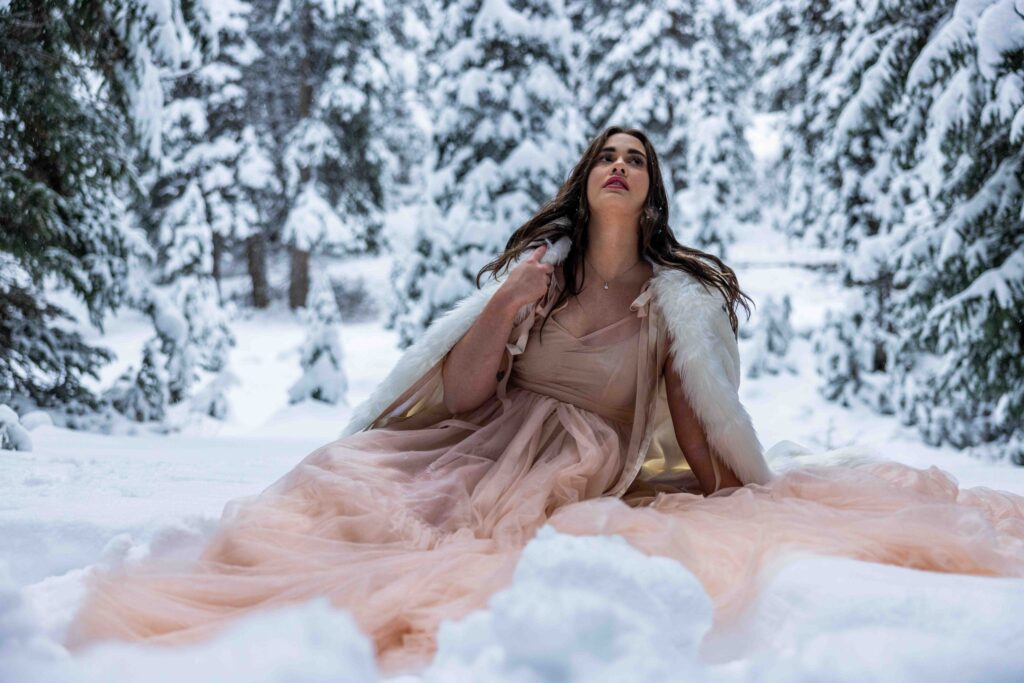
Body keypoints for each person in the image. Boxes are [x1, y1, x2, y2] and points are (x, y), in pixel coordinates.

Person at [63, 127, 1024, 675]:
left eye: (636, 158)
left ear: (650, 192)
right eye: (606, 153)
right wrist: (510, 299)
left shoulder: (671, 300)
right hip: (485, 438)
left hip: (575, 461)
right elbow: (472, 386)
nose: (619, 163)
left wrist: (730, 487)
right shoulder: (544, 273)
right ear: (584, 179)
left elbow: (697, 407)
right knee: (335, 485)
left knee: (475, 560)